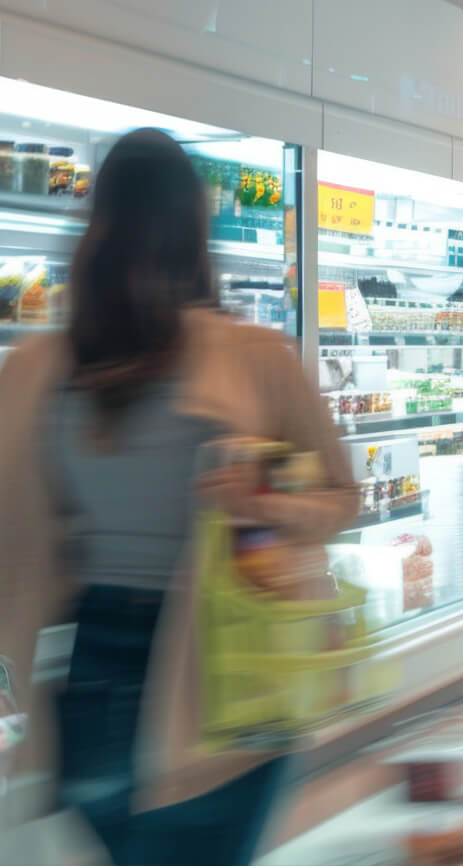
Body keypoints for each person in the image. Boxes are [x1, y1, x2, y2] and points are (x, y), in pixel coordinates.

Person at [0, 128, 360, 865]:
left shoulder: (43, 369)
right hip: (230, 672)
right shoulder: (250, 357)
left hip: (102, 672)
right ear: (196, 228)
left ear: (98, 224)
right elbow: (342, 498)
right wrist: (266, 504)